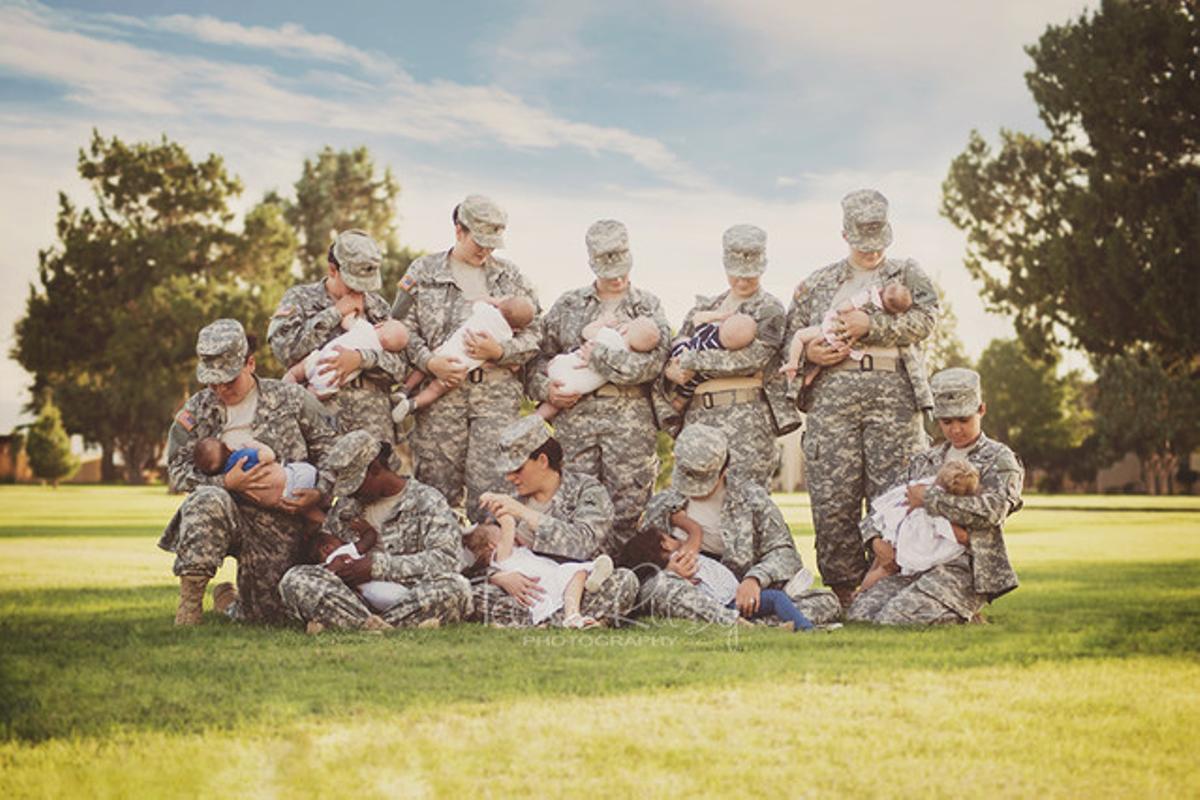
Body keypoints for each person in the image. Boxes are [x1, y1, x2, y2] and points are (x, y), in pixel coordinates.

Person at [783, 189, 939, 606]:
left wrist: (871, 325)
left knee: (895, 495)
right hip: (833, 399)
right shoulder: (816, 284)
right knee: (834, 497)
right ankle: (844, 593)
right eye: (862, 243)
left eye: (878, 242)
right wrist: (810, 354)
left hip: (894, 397)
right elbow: (788, 338)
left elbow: (926, 319)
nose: (872, 252)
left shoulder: (907, 274)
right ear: (844, 234)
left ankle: (893, 585)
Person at [159, 319, 336, 625]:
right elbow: (177, 470)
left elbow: (332, 453)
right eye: (213, 382)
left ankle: (229, 601)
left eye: (229, 380)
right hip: (224, 511)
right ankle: (189, 605)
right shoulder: (198, 410)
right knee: (207, 499)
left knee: (269, 617)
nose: (221, 390)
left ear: (250, 363)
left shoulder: (291, 400)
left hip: (280, 520)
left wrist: (318, 493)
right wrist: (224, 482)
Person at [391, 195, 542, 521]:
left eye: (493, 243)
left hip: (495, 400)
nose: (486, 251)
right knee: (435, 494)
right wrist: (429, 362)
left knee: (493, 492)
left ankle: (491, 567)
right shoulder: (423, 272)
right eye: (479, 241)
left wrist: (501, 352)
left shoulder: (510, 277)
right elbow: (400, 329)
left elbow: (536, 333)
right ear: (459, 230)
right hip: (440, 400)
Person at [527, 220, 670, 547]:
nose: (617, 277)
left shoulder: (647, 306)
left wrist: (600, 357)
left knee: (629, 512)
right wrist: (546, 390)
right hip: (576, 422)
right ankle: (578, 585)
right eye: (608, 270)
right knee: (576, 508)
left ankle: (626, 586)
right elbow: (537, 360)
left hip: (630, 424)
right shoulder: (568, 305)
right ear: (591, 262)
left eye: (622, 267)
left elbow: (653, 364)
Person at [848, 368, 1023, 625]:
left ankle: (963, 611)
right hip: (914, 562)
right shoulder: (925, 459)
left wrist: (930, 499)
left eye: (963, 420)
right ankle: (953, 610)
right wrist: (875, 540)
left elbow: (993, 511)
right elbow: (885, 505)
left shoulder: (999, 458)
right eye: (947, 422)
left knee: (897, 618)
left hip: (964, 566)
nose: (956, 429)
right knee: (860, 615)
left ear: (981, 410)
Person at [633, 425, 841, 627]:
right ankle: (747, 623)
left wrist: (755, 579)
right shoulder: (662, 506)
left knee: (826, 601)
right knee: (659, 588)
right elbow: (640, 561)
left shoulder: (752, 500)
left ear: (724, 469)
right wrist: (668, 570)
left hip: (743, 594)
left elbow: (784, 554)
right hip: (689, 593)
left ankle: (744, 622)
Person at [278, 431, 474, 632]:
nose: (351, 492)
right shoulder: (348, 506)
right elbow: (330, 550)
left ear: (375, 468)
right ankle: (379, 624)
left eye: (355, 484)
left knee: (456, 588)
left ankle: (356, 624)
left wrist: (376, 567)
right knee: (294, 579)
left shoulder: (427, 500)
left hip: (410, 595)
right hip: (354, 597)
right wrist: (335, 567)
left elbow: (446, 560)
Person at [467, 415, 639, 627]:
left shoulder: (587, 490)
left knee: (624, 581)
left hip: (576, 583)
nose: (510, 477)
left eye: (517, 469)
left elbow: (584, 544)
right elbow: (482, 553)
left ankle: (551, 620)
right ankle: (574, 621)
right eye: (508, 471)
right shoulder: (507, 496)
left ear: (542, 460)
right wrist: (498, 577)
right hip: (527, 592)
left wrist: (525, 514)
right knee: (475, 593)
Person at [660, 224, 798, 489]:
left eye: (751, 274)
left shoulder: (769, 309)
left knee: (745, 503)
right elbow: (676, 349)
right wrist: (671, 370)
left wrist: (693, 361)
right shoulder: (703, 308)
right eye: (736, 274)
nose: (743, 281)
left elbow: (751, 359)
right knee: (696, 502)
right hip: (698, 418)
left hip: (746, 420)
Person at [268, 229, 407, 444]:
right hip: (320, 422)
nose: (360, 291)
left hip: (373, 426)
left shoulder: (378, 307)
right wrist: (334, 313)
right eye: (353, 283)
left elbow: (400, 369)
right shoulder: (301, 298)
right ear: (333, 269)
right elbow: (285, 350)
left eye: (366, 284)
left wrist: (361, 359)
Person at [620, 528, 815, 632]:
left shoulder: (679, 559)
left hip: (732, 598)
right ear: (663, 544)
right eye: (668, 536)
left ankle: (775, 625)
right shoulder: (678, 560)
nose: (674, 537)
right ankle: (804, 627)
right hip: (726, 603)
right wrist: (683, 520)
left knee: (782, 599)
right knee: (777, 598)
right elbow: (695, 533)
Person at [392, 295, 536, 422]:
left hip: (447, 350)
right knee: (436, 389)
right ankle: (413, 403)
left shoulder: (486, 311)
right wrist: (503, 358)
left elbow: (478, 301)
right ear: (517, 329)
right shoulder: (507, 335)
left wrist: (495, 301)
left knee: (423, 367)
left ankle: (405, 389)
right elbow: (515, 354)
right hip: (460, 367)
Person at [464, 517, 615, 628]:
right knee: (576, 572)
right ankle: (573, 613)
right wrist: (503, 512)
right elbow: (508, 523)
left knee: (576, 574)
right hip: (546, 583)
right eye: (500, 533)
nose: (509, 536)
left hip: (548, 583)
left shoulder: (516, 553)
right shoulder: (501, 555)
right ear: (492, 545)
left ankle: (570, 616)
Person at [858, 459, 979, 593]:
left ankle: (860, 593)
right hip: (910, 537)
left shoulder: (921, 486)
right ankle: (861, 592)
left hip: (895, 529)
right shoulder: (935, 509)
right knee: (885, 569)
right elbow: (957, 535)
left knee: (879, 566)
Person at [780, 282, 913, 384]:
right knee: (827, 359)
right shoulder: (887, 316)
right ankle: (811, 376)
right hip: (849, 348)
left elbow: (844, 307)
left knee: (799, 336)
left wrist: (839, 310)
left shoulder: (867, 296)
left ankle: (793, 362)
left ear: (881, 290)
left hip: (831, 330)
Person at [535, 316, 662, 421]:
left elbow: (586, 332)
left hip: (565, 367)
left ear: (624, 329)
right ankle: (540, 416)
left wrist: (602, 323)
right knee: (561, 398)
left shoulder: (610, 335)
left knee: (560, 377)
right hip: (581, 387)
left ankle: (534, 419)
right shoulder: (626, 357)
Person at [193, 436, 320, 523]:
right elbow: (269, 456)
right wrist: (256, 445)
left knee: (308, 511)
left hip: (281, 502)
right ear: (228, 447)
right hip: (293, 479)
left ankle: (320, 520)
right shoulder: (242, 457)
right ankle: (326, 516)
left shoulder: (231, 479)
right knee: (310, 472)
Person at [283, 316, 409, 401]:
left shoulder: (365, 326)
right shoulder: (377, 351)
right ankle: (299, 398)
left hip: (319, 358)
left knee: (295, 372)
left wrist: (352, 313)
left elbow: (346, 320)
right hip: (331, 378)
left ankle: (283, 390)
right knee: (311, 396)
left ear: (379, 325)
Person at [664, 312, 759, 411]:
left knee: (681, 342)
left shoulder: (709, 333)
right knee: (681, 399)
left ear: (721, 326)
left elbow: (697, 318)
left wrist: (720, 315)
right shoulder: (725, 355)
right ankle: (676, 407)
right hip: (696, 380)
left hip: (681, 356)